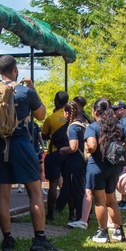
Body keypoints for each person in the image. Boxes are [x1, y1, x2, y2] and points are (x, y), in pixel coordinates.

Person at [0, 55, 60, 251]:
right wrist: (33, 88)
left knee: (3, 195)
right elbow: (41, 115)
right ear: (15, 69)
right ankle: (39, 240)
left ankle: (7, 240)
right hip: (21, 144)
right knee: (35, 192)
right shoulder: (25, 92)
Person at [85, 98, 126, 243]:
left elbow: (92, 145)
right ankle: (118, 231)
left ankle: (103, 232)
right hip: (114, 167)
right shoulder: (118, 126)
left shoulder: (93, 127)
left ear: (95, 112)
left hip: (97, 166)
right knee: (112, 200)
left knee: (100, 202)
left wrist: (88, 149)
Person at [40, 91, 70, 221]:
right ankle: (73, 213)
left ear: (56, 102)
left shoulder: (51, 118)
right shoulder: (71, 117)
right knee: (69, 183)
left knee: (53, 184)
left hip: (55, 153)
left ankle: (50, 214)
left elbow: (44, 135)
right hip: (69, 152)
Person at [59, 101, 87, 226]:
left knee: (76, 190)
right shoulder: (83, 124)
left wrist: (63, 149)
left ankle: (80, 216)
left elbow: (73, 147)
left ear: (67, 112)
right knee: (81, 189)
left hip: (75, 162)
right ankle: (83, 215)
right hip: (83, 161)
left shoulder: (73, 127)